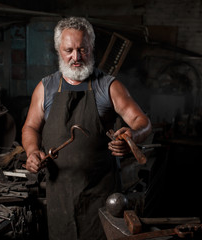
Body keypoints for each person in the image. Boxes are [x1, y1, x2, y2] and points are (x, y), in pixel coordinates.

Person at [21, 16, 152, 240]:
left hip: (101, 196)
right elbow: (31, 127)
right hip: (59, 196)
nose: (76, 57)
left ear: (91, 48)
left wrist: (133, 136)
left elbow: (143, 123)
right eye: (69, 50)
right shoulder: (46, 88)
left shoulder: (108, 86)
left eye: (82, 50)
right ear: (58, 50)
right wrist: (32, 151)